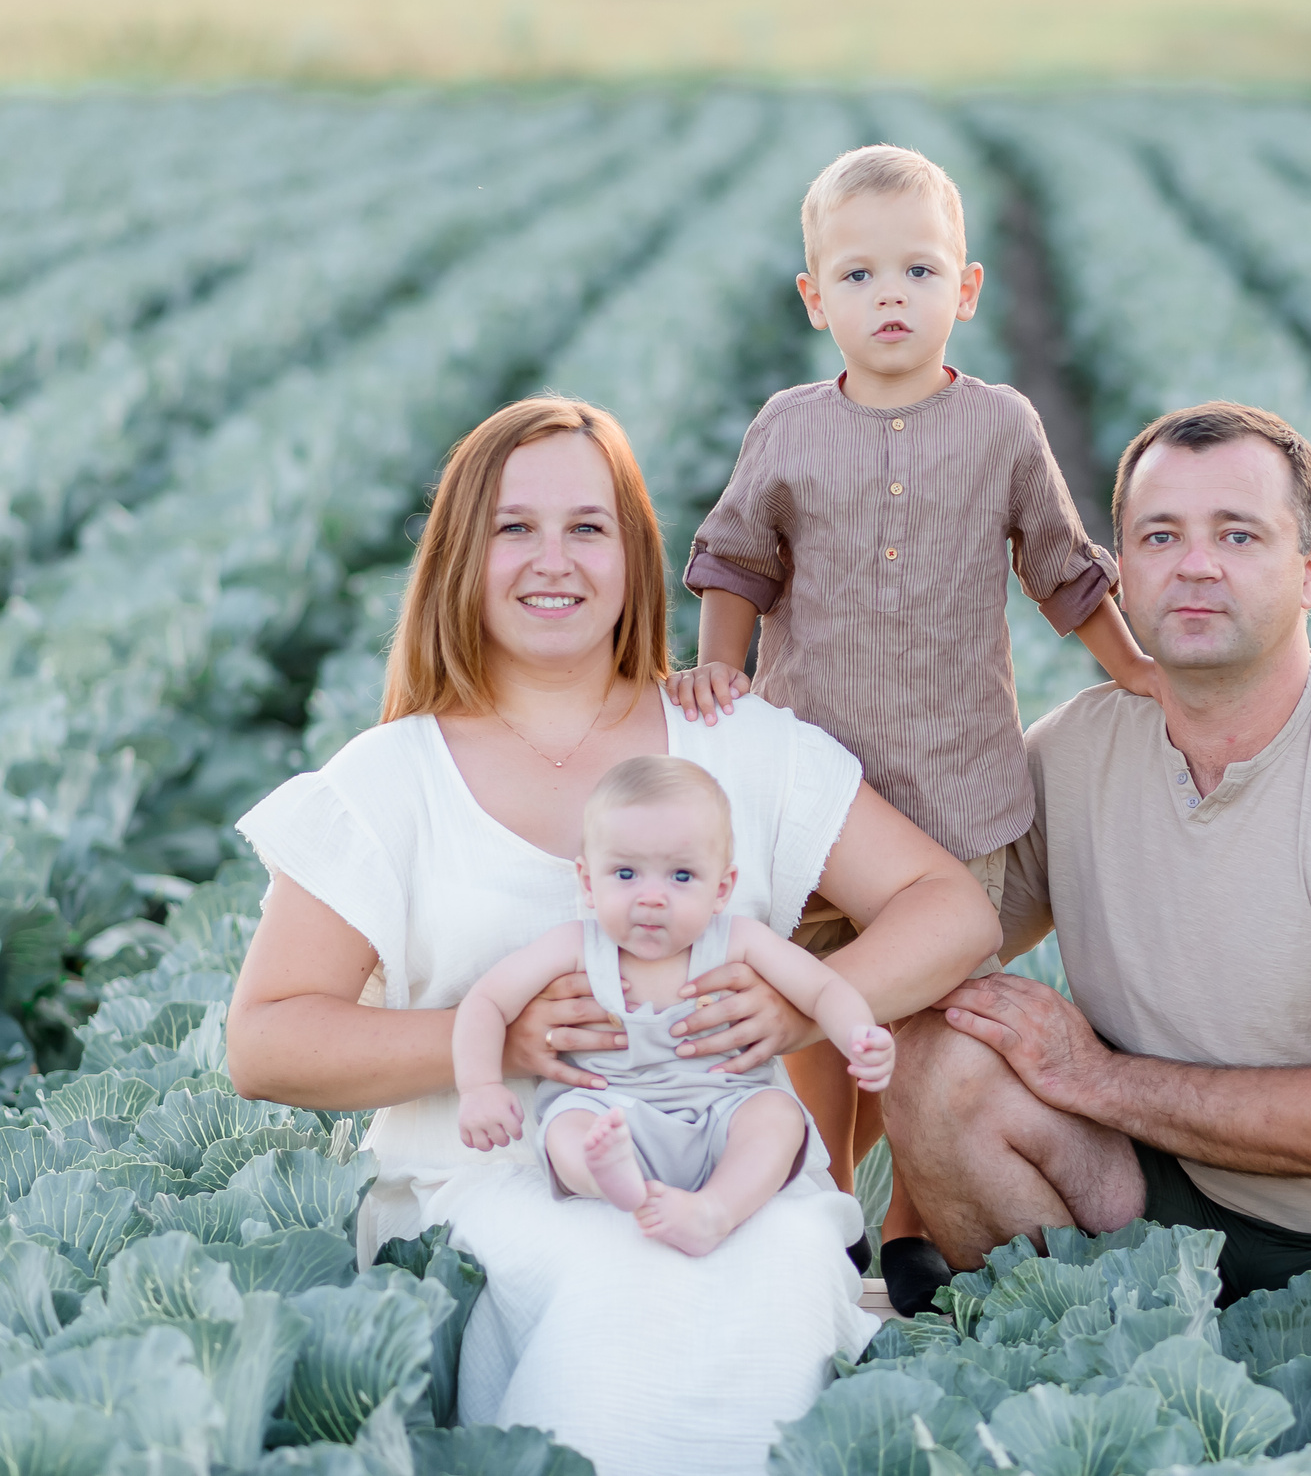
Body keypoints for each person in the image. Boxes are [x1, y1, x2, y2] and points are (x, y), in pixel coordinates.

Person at [225, 396, 999, 1476]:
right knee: (607, 1276)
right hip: (484, 1186)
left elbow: (950, 905)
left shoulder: (738, 744)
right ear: (459, 554)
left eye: (588, 526)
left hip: (726, 1158)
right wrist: (497, 1039)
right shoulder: (389, 777)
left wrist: (795, 1000)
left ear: (634, 554)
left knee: (776, 1259)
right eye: (514, 527)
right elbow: (263, 1041)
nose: (554, 559)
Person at [883, 401, 1311, 1476]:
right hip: (1161, 1197)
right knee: (938, 1060)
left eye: (1238, 534)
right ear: (1120, 573)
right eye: (1159, 536)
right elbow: (920, 936)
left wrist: (1095, 1076)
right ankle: (1104, 1400)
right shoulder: (1075, 753)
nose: (1194, 566)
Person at [666, 143, 1158, 1311]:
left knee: (927, 1018)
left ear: (967, 289)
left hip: (953, 788)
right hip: (811, 791)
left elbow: (1062, 569)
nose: (890, 297)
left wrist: (1132, 666)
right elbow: (735, 557)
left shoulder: (1001, 427)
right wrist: (717, 674)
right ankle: (819, 1192)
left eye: (918, 272)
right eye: (858, 277)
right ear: (813, 298)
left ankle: (910, 1221)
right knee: (806, 999)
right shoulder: (788, 428)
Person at [453, 754, 896, 1257]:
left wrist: (859, 1033)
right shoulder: (574, 946)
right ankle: (613, 1181)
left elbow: (822, 990)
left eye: (681, 877)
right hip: (611, 1112)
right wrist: (480, 1085)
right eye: (625, 873)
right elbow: (486, 1001)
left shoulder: (738, 941)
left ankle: (716, 1208)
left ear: (722, 888)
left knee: (776, 1115)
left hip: (721, 1112)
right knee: (566, 1126)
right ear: (587, 882)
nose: (652, 897)